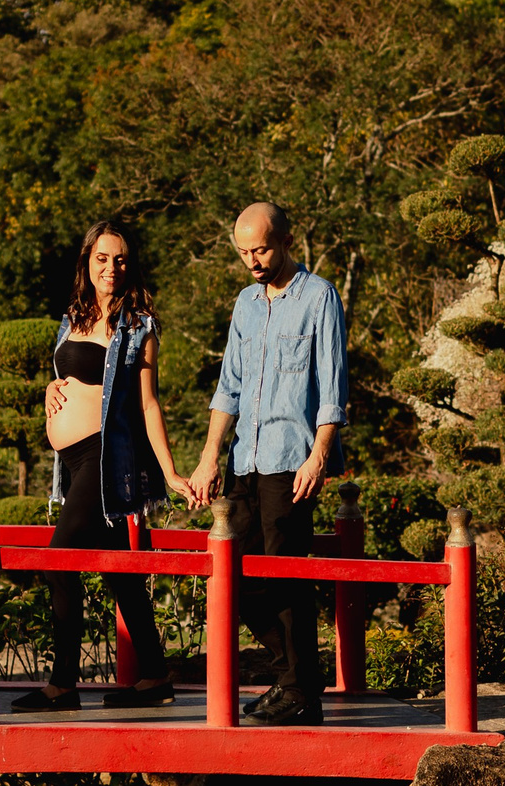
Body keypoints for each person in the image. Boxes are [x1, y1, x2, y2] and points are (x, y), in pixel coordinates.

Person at [23, 219, 202, 711]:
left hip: (104, 457)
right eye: (102, 258)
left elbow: (147, 404)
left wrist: (168, 472)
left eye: (120, 259)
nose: (111, 267)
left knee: (59, 562)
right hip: (72, 459)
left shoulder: (139, 326)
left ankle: (62, 685)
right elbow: (67, 379)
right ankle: (155, 676)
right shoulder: (72, 317)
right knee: (118, 571)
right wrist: (47, 391)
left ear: (130, 265)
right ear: (88, 260)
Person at [189, 202, 347, 726]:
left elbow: (331, 387)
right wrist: (210, 456)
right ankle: (295, 679)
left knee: (283, 578)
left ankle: (299, 690)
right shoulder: (246, 305)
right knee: (235, 576)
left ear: (285, 239)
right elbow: (228, 386)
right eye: (243, 252)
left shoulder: (319, 297)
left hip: (291, 459)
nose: (252, 261)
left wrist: (319, 455)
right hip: (245, 460)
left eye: (260, 249)